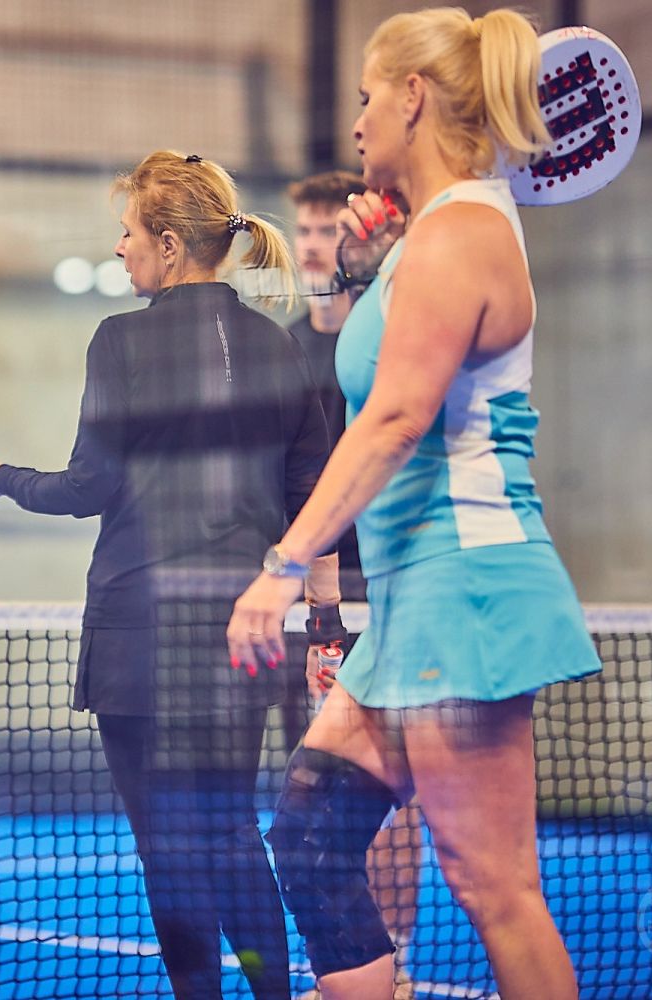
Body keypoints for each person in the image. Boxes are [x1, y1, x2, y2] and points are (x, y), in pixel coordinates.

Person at [228, 9, 601, 1000]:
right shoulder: (422, 237)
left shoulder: (462, 232)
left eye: (366, 97)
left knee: (495, 888)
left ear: (412, 97)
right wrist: (365, 270)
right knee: (311, 838)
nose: (355, 122)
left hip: (465, 589)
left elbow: (395, 420)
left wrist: (284, 566)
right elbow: (376, 380)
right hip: (412, 603)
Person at [0, 150, 339, 999]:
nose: (120, 248)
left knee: (169, 848)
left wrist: (2, 477)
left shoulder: (118, 340)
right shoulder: (281, 347)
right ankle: (270, 993)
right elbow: (315, 501)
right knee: (231, 837)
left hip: (137, 636)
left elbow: (87, 487)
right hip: (242, 638)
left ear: (169, 246)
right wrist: (327, 625)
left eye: (129, 233)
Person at [286, 170, 423, 1000]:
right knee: (316, 800)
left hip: (388, 595)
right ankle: (355, 972)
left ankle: (393, 967)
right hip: (312, 602)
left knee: (393, 802)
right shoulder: (284, 348)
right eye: (303, 230)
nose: (314, 244)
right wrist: (305, 600)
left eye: (325, 229)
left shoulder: (387, 335)